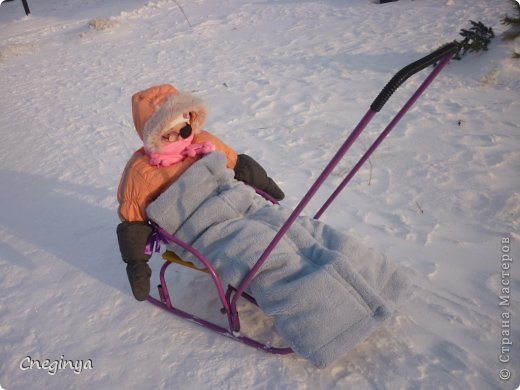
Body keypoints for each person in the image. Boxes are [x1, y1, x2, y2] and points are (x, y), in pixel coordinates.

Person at [116, 84, 284, 301]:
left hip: (237, 203)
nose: (182, 136)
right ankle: (287, 287)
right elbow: (133, 222)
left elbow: (236, 163)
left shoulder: (204, 141)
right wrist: (136, 265)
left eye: (185, 128)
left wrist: (266, 184)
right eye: (169, 133)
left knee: (282, 228)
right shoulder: (141, 171)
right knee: (257, 249)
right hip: (199, 227)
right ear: (154, 135)